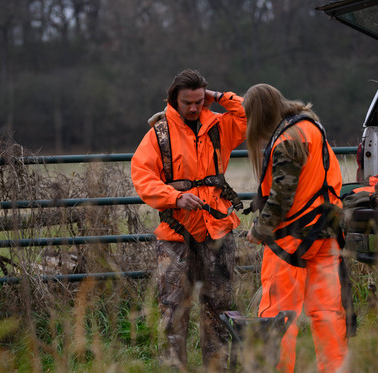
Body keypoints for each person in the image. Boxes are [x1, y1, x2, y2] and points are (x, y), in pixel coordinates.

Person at [130, 69, 247, 371]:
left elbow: (249, 114)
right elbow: (142, 177)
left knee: (220, 309)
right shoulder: (159, 134)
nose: (194, 108)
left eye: (199, 101)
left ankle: (217, 368)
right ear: (174, 100)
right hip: (175, 235)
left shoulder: (220, 126)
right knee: (172, 312)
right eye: (187, 102)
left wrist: (220, 97)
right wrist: (175, 197)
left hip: (217, 230)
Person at [243, 83, 352, 373]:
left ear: (259, 116)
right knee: (328, 312)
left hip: (289, 240)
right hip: (327, 232)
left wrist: (258, 230)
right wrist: (217, 97)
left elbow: (281, 198)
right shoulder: (310, 126)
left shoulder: (286, 142)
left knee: (277, 316)